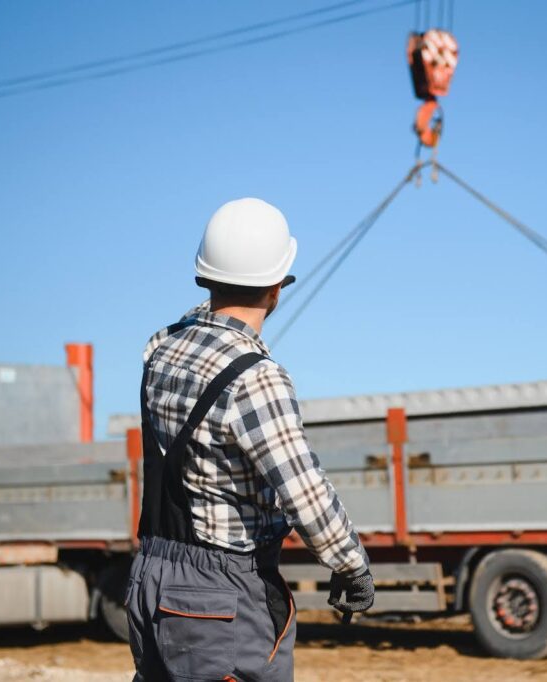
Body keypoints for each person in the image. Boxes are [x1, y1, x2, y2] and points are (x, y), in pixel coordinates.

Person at [126, 198, 374, 681]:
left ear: (205, 275)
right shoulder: (255, 378)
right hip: (221, 594)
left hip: (151, 573)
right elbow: (304, 491)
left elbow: (196, 329)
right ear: (278, 288)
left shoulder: (160, 349)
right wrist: (351, 565)